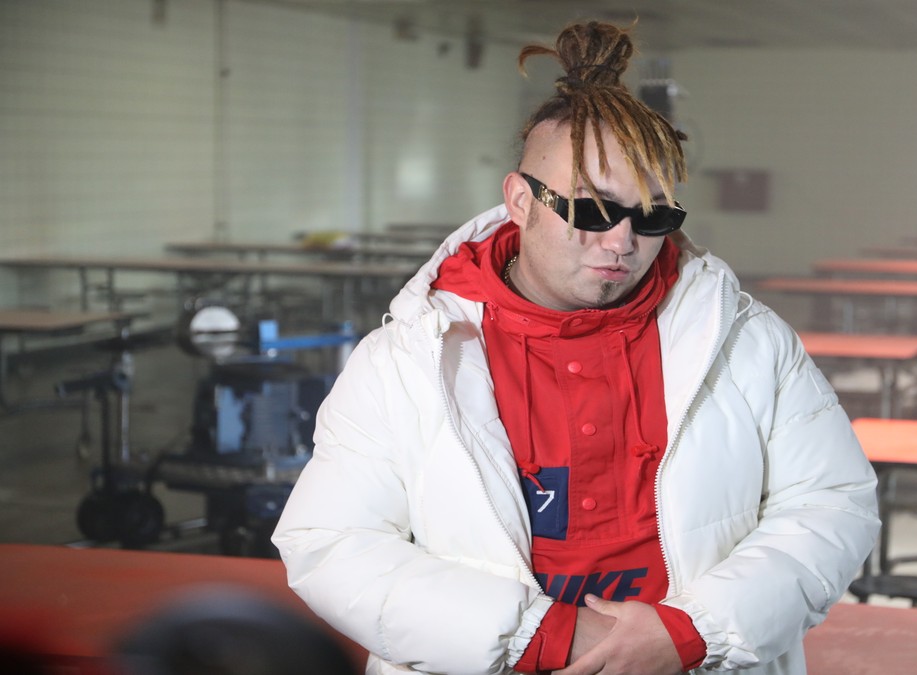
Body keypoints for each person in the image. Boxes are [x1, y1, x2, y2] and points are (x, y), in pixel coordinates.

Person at [273, 20, 879, 675]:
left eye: (652, 215)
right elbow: (332, 542)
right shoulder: (407, 358)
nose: (621, 242)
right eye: (591, 210)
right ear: (519, 201)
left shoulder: (748, 342)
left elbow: (831, 504)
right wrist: (546, 637)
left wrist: (689, 633)